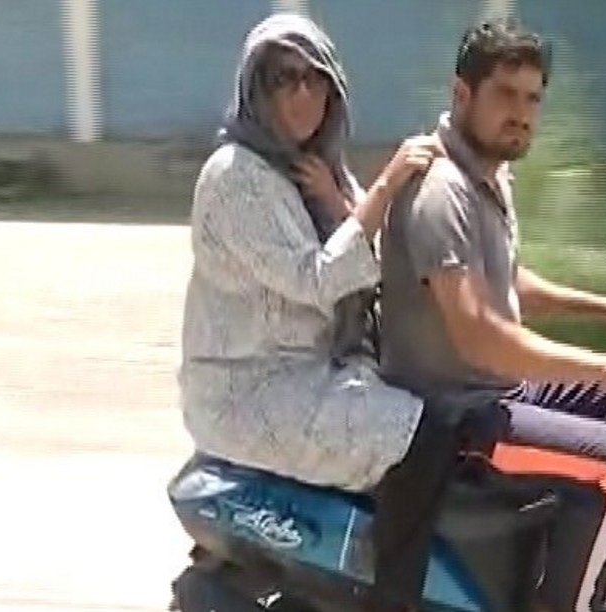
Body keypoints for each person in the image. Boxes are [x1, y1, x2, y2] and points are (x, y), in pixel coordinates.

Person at [379, 17, 606, 612]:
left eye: (533, 99)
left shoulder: (486, 174)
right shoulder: (443, 191)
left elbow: (504, 279)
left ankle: (561, 572)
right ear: (462, 93)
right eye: (505, 95)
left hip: (492, 392)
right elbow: (481, 336)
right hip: (452, 422)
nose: (521, 113)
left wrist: (600, 306)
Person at [177, 13, 460, 612]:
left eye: (316, 78)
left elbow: (374, 258)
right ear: (256, 88)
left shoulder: (310, 165)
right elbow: (317, 278)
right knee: (424, 436)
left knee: (451, 410)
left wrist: (342, 196)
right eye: (285, 78)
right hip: (254, 389)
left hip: (314, 369)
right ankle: (395, 599)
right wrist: (385, 186)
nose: (303, 92)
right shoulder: (235, 177)